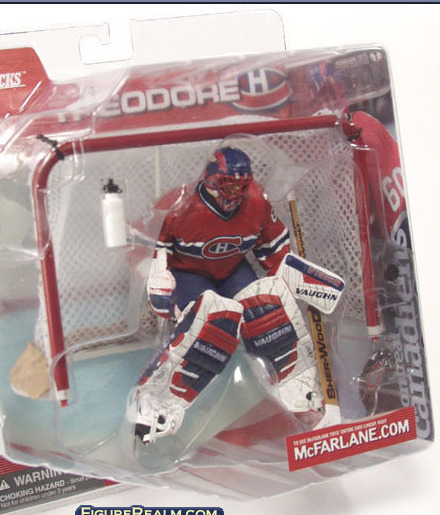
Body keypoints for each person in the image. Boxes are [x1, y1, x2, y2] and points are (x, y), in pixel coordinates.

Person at [132, 146, 343, 444]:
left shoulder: (256, 201)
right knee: (211, 322)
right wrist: (153, 275)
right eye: (229, 185)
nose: (236, 194)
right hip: (187, 273)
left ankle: (301, 394)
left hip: (232, 268)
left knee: (268, 303)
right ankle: (156, 407)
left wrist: (293, 279)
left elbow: (273, 248)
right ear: (210, 180)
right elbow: (142, 242)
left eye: (242, 186)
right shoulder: (179, 204)